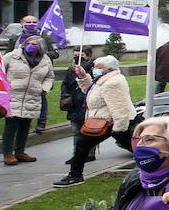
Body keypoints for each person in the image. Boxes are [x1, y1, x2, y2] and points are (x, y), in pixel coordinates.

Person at [53, 55, 135, 187]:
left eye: (98, 67)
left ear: (109, 68)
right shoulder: (103, 80)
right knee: (134, 146)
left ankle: (75, 175)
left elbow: (118, 105)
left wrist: (120, 125)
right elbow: (90, 92)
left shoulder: (112, 83)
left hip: (109, 121)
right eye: (94, 66)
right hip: (107, 121)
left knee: (82, 145)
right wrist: (83, 77)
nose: (95, 69)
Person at [1, 35, 54, 164]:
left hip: (32, 96)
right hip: (13, 95)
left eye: (35, 44)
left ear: (41, 46)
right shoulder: (12, 56)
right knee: (11, 125)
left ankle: (20, 151)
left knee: (25, 125)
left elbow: (50, 77)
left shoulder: (45, 60)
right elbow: (0, 70)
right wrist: (5, 86)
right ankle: (7, 154)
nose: (31, 46)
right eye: (29, 43)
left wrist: (44, 89)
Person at [4, 13, 60, 134]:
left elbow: (55, 53)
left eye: (34, 22)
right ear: (21, 23)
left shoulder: (45, 37)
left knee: (41, 97)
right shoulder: (15, 38)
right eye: (28, 22)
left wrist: (39, 53)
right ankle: (18, 120)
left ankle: (41, 121)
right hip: (19, 73)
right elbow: (7, 54)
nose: (31, 24)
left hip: (38, 73)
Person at [60, 48, 97, 164]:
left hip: (86, 104)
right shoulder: (71, 69)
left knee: (89, 130)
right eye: (75, 56)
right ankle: (77, 154)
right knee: (76, 131)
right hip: (74, 104)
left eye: (80, 56)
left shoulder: (93, 68)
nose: (77, 58)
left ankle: (90, 153)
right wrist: (65, 95)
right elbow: (65, 83)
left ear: (88, 56)